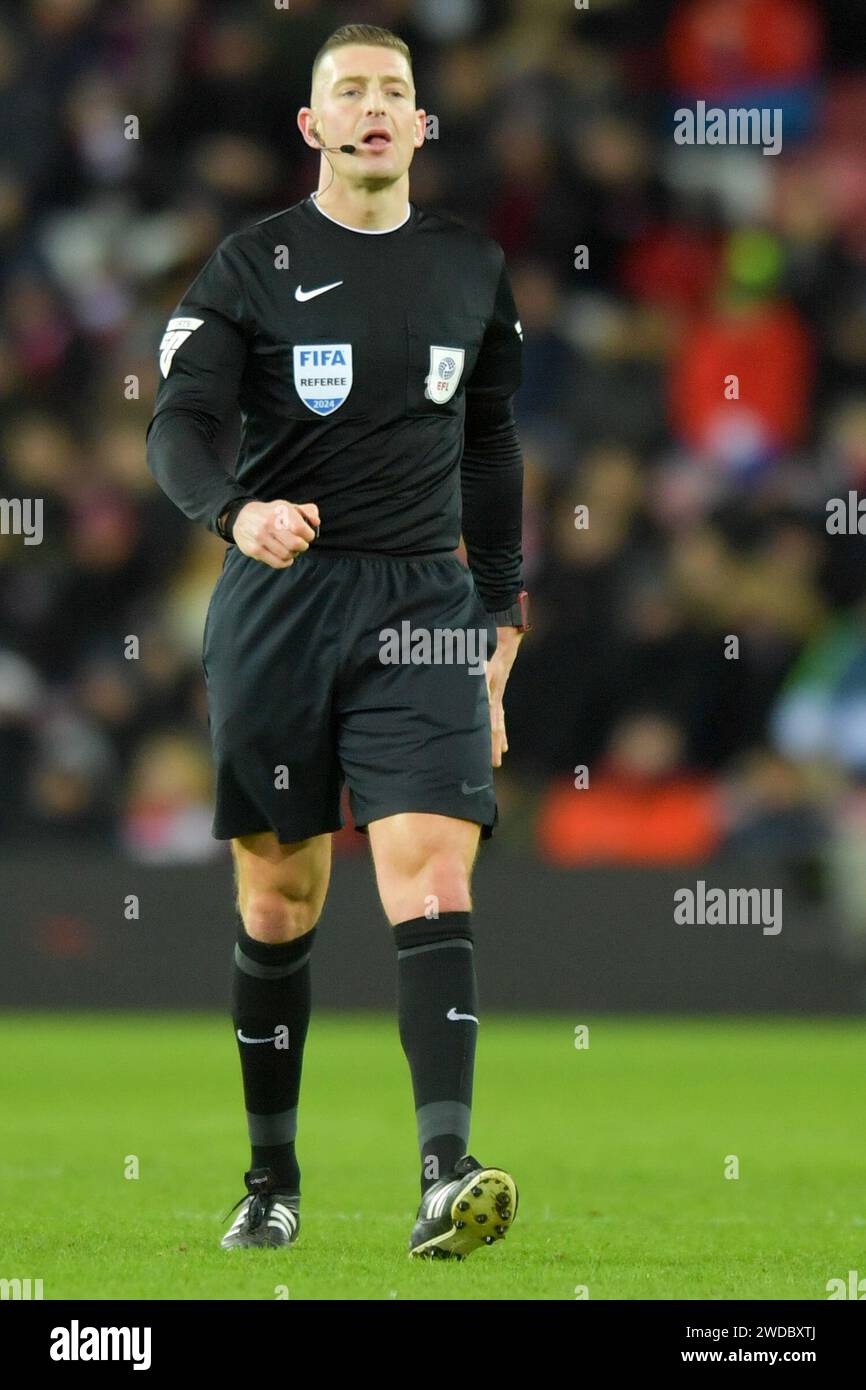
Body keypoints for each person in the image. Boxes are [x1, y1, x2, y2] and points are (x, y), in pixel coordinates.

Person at [146, 22, 529, 1260]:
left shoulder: (472, 267)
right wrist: (234, 510)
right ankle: (270, 1177)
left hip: (423, 602)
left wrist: (502, 614)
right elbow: (179, 426)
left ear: (422, 125)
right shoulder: (248, 266)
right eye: (349, 91)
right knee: (278, 894)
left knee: (429, 863)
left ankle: (443, 1170)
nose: (374, 107)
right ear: (310, 127)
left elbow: (489, 449)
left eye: (396, 92)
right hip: (281, 601)